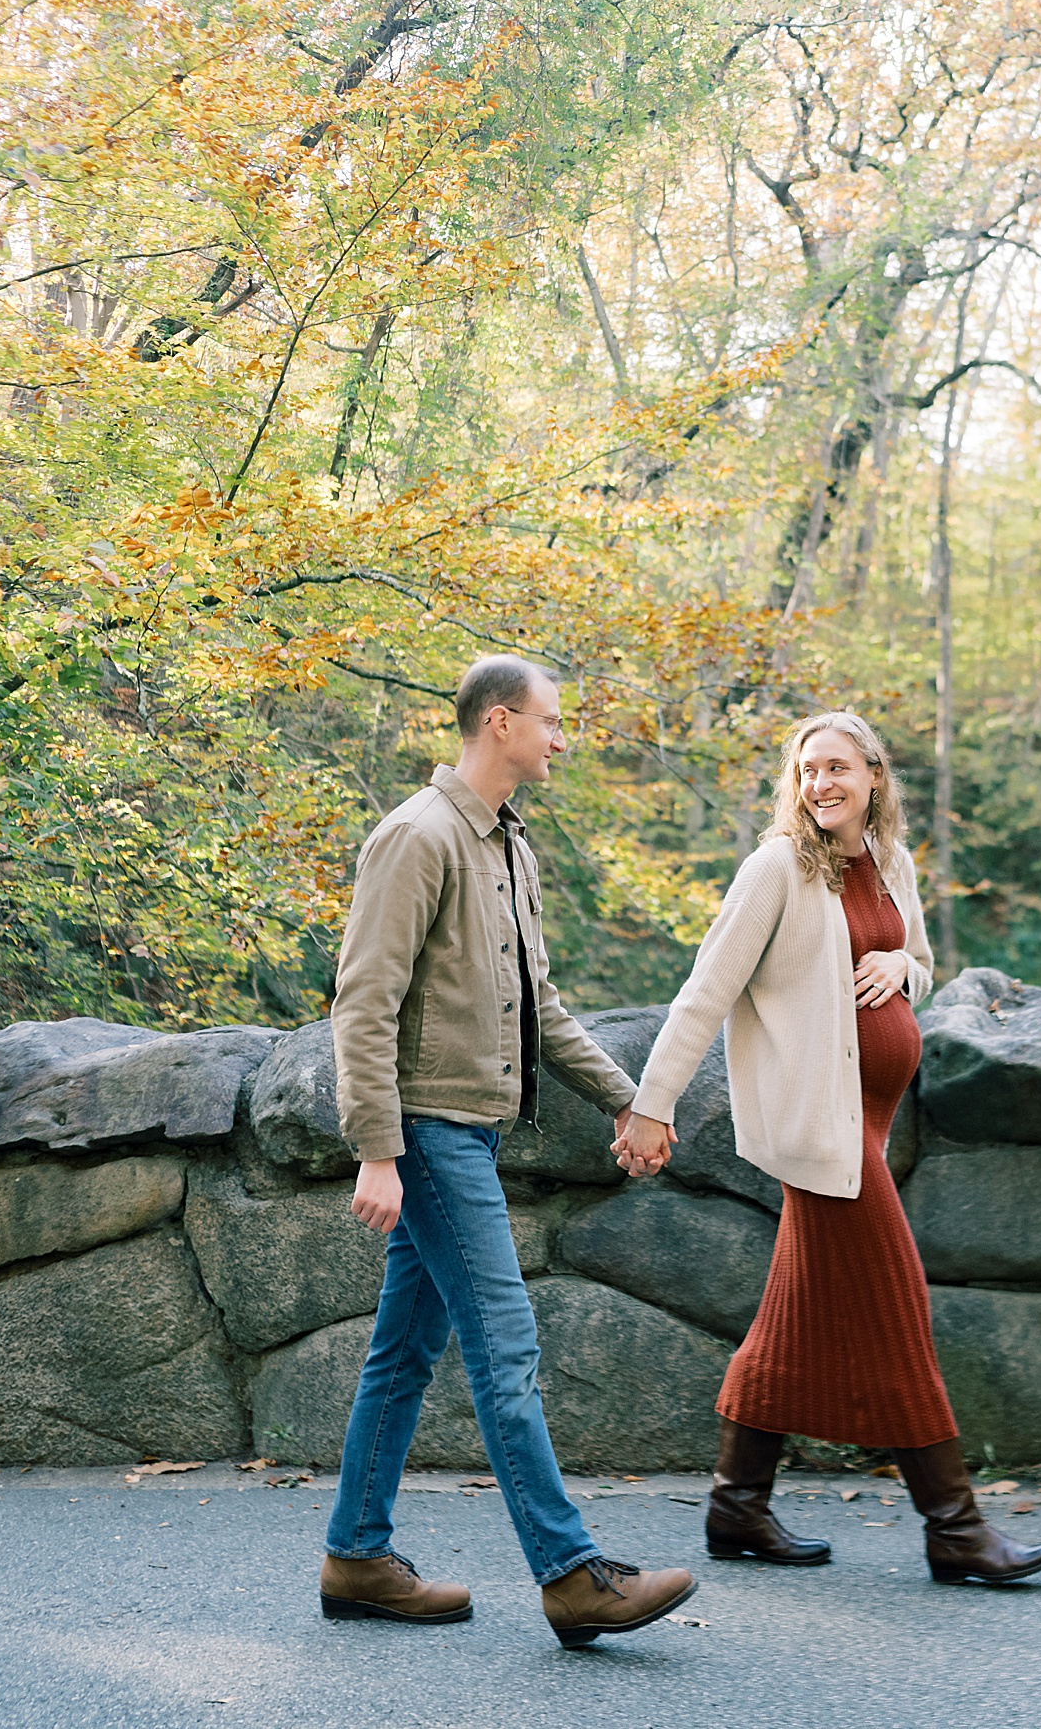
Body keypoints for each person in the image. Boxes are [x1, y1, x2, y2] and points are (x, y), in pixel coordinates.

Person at [616, 709, 1041, 1588]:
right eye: (807, 769)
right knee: (898, 1302)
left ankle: (737, 1504)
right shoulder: (776, 868)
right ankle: (954, 1525)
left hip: (871, 1122)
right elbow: (706, 991)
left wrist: (901, 969)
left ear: (874, 776)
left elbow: (920, 961)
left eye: (837, 767)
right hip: (822, 1125)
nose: (820, 782)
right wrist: (651, 1105)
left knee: (790, 1318)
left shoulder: (890, 861)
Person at [322, 654, 696, 1648]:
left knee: (404, 1352)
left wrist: (632, 1099)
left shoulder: (507, 847)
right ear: (499, 721)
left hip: (469, 1131)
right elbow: (363, 1003)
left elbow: (543, 1010)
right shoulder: (417, 836)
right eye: (550, 719)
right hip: (431, 1134)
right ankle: (571, 1572)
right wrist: (377, 1148)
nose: (560, 737)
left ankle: (357, 1554)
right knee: (506, 1347)